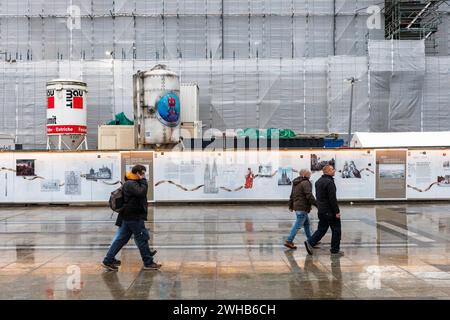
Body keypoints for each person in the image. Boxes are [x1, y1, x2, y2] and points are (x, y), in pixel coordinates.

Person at [102, 165, 161, 271]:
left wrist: (141, 180)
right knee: (141, 238)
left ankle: (108, 260)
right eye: (143, 173)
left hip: (130, 216)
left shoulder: (132, 182)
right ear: (138, 173)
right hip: (133, 216)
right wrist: (143, 180)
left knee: (121, 239)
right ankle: (148, 262)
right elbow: (141, 192)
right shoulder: (130, 183)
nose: (144, 175)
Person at [304, 165, 343, 256]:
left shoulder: (318, 181)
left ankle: (310, 242)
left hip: (321, 210)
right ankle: (335, 250)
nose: (334, 171)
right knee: (336, 230)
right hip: (330, 211)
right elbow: (332, 199)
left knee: (321, 229)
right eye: (333, 169)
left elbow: (319, 197)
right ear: (328, 171)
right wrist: (336, 212)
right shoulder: (329, 182)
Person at [284, 169, 317, 249]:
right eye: (309, 173)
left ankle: (311, 240)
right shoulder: (306, 182)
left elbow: (292, 195)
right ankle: (289, 240)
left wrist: (291, 206)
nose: (310, 174)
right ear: (305, 174)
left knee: (307, 224)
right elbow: (309, 195)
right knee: (297, 225)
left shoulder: (296, 182)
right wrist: (317, 204)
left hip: (298, 207)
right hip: (303, 207)